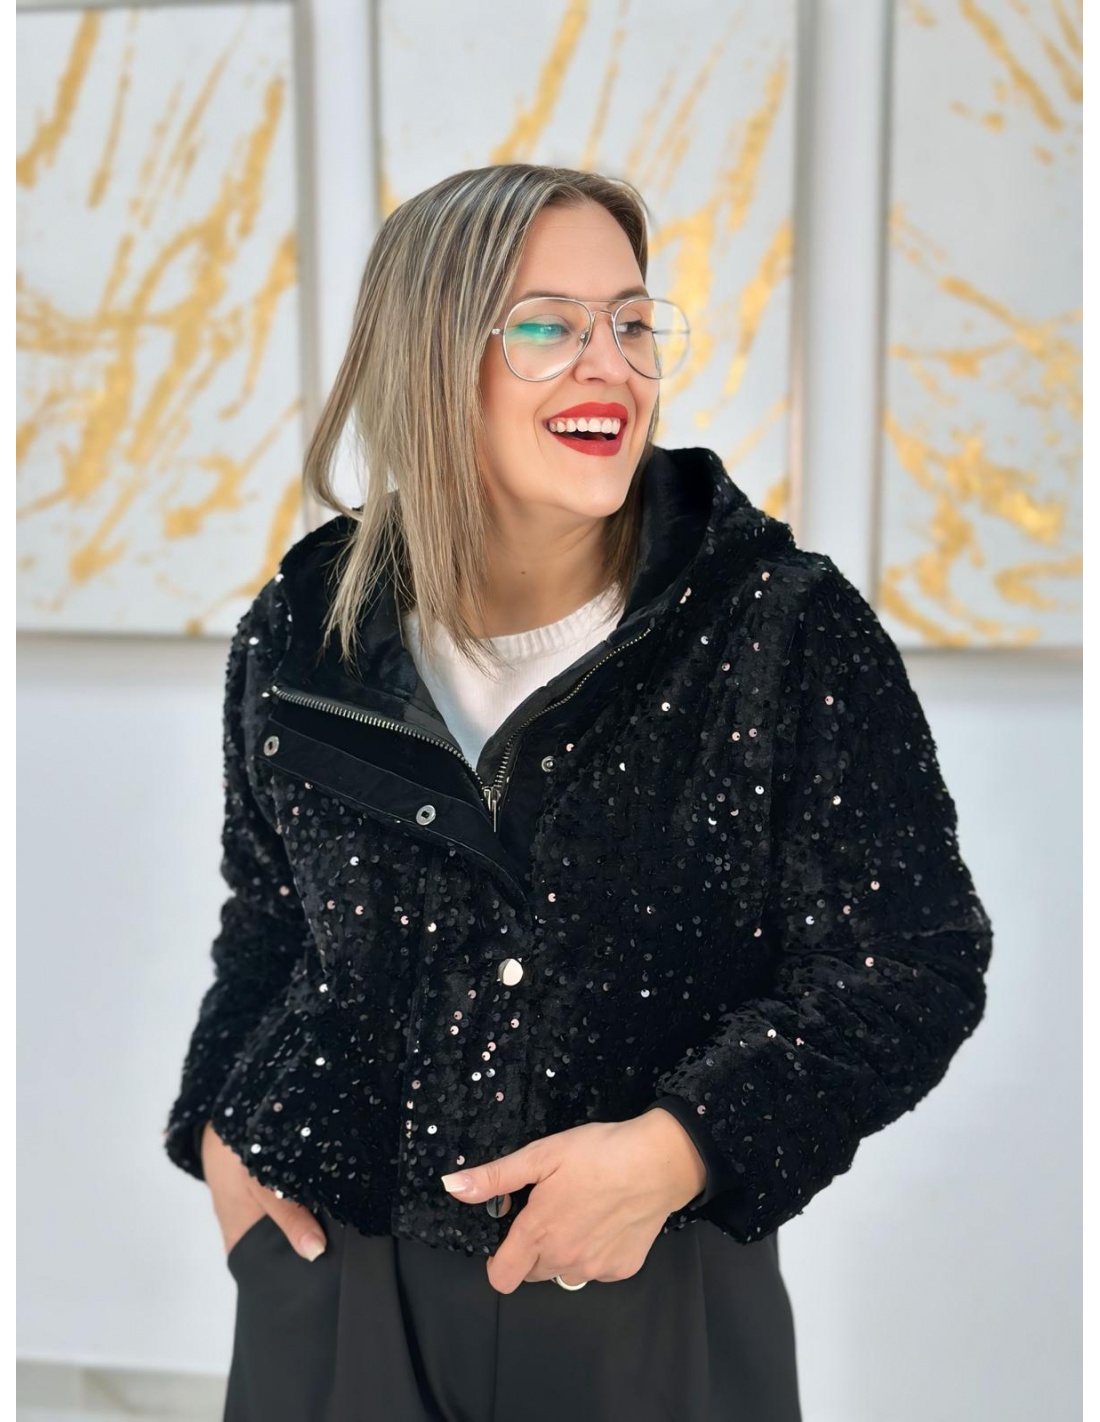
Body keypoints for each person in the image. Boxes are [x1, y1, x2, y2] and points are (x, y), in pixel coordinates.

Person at [163, 163, 993, 1422]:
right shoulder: (304, 626)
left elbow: (908, 962)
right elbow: (272, 913)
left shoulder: (778, 629)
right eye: (547, 326)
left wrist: (678, 1151)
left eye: (632, 321)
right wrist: (217, 1124)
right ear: (429, 359)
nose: (610, 363)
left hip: (643, 1289)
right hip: (334, 1279)